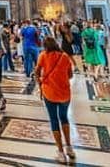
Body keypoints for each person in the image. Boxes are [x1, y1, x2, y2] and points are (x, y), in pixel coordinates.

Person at [35, 36, 75, 164]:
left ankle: (60, 152)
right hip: (64, 93)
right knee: (64, 118)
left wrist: (40, 84)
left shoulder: (43, 55)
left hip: (49, 92)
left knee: (54, 119)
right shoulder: (64, 57)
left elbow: (37, 71)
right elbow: (70, 75)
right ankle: (69, 147)